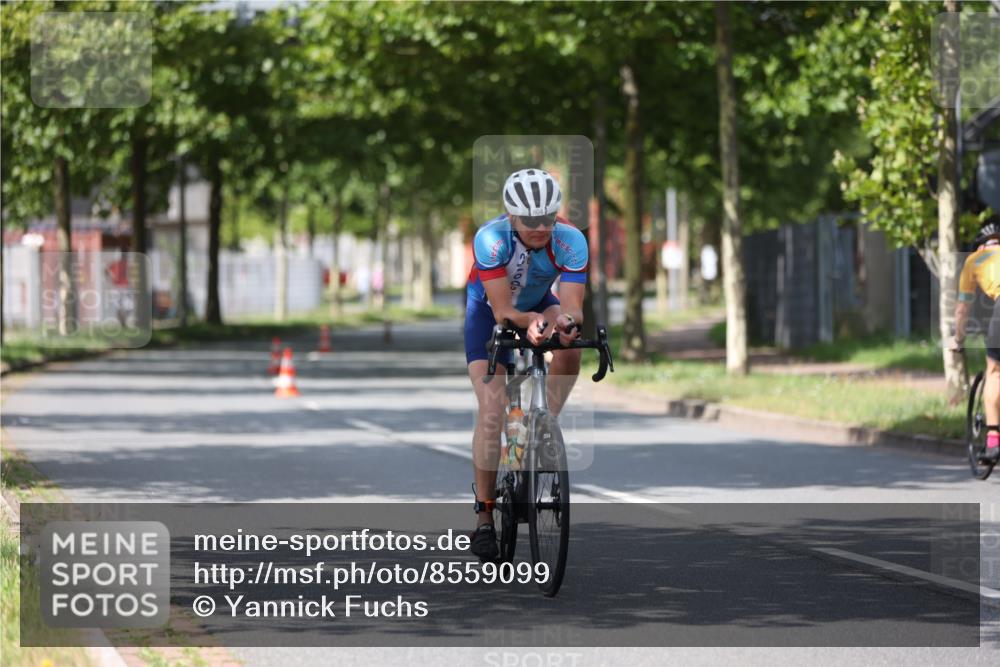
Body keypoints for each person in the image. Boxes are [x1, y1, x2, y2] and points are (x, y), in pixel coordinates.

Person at [464, 168, 589, 561]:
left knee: (570, 348)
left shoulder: (571, 240)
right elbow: (504, 310)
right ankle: (485, 517)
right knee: (492, 410)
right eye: (530, 221)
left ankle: (543, 428)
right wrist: (528, 322)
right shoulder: (490, 239)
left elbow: (571, 308)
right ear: (511, 216)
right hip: (488, 312)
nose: (540, 228)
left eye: (547, 218)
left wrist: (565, 323)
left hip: (539, 302)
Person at [954, 215, 1000, 463]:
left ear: (981, 246)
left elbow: (963, 308)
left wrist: (958, 339)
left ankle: (993, 443)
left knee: (994, 372)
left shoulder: (974, 260)